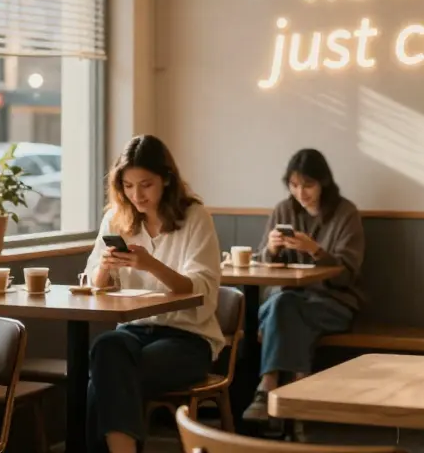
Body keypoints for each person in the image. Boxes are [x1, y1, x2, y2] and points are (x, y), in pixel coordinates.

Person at [85, 134, 223, 453]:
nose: (137, 195)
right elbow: (95, 283)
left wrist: (150, 264)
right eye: (128, 186)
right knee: (107, 346)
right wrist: (105, 267)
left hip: (187, 339)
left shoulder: (194, 217)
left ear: (166, 179)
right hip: (133, 332)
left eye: (146, 184)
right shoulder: (116, 219)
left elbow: (200, 288)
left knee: (101, 382)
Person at [243, 148, 365, 430]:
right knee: (287, 306)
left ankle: (267, 387)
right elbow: (262, 264)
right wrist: (271, 251)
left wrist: (315, 250)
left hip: (334, 303)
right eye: (294, 185)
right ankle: (298, 394)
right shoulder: (283, 210)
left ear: (324, 182)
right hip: (289, 303)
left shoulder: (346, 213)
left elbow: (348, 275)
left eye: (308, 185)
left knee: (284, 308)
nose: (301, 192)